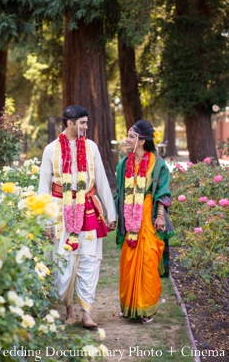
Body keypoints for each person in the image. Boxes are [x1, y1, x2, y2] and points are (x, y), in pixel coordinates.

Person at [38, 105, 116, 328]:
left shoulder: (91, 147)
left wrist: (110, 213)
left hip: (88, 208)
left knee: (90, 260)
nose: (85, 127)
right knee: (64, 261)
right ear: (69, 123)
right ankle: (69, 310)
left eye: (86, 123)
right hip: (60, 209)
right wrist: (45, 222)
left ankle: (86, 312)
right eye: (82, 123)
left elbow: (101, 179)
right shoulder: (50, 150)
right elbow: (43, 187)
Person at [114, 120, 174, 324]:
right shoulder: (123, 163)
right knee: (129, 262)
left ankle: (147, 309)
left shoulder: (157, 163)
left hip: (148, 220)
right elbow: (119, 192)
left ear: (142, 140)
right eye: (128, 135)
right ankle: (130, 307)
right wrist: (117, 215)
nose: (127, 140)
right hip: (129, 221)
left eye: (131, 136)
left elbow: (163, 192)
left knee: (148, 262)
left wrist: (159, 215)